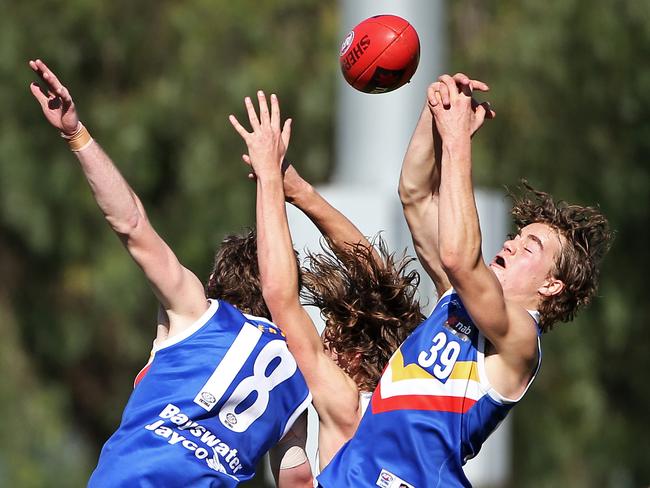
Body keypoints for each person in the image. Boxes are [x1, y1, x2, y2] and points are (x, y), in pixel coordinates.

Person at [316, 73, 612, 487]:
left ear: (551, 286)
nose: (509, 245)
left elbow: (458, 257)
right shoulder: (456, 297)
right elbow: (416, 194)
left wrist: (458, 140)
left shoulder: (521, 338)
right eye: (515, 236)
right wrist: (434, 114)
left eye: (529, 248)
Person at [29, 59, 312, 488]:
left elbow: (133, 225)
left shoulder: (198, 312)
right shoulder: (296, 378)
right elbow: (298, 480)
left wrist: (76, 133)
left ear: (219, 282)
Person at [229, 91, 424, 470]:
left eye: (328, 342)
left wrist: (269, 178)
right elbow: (377, 276)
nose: (320, 345)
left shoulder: (346, 402)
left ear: (351, 357)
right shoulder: (411, 405)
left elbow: (279, 296)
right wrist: (300, 192)